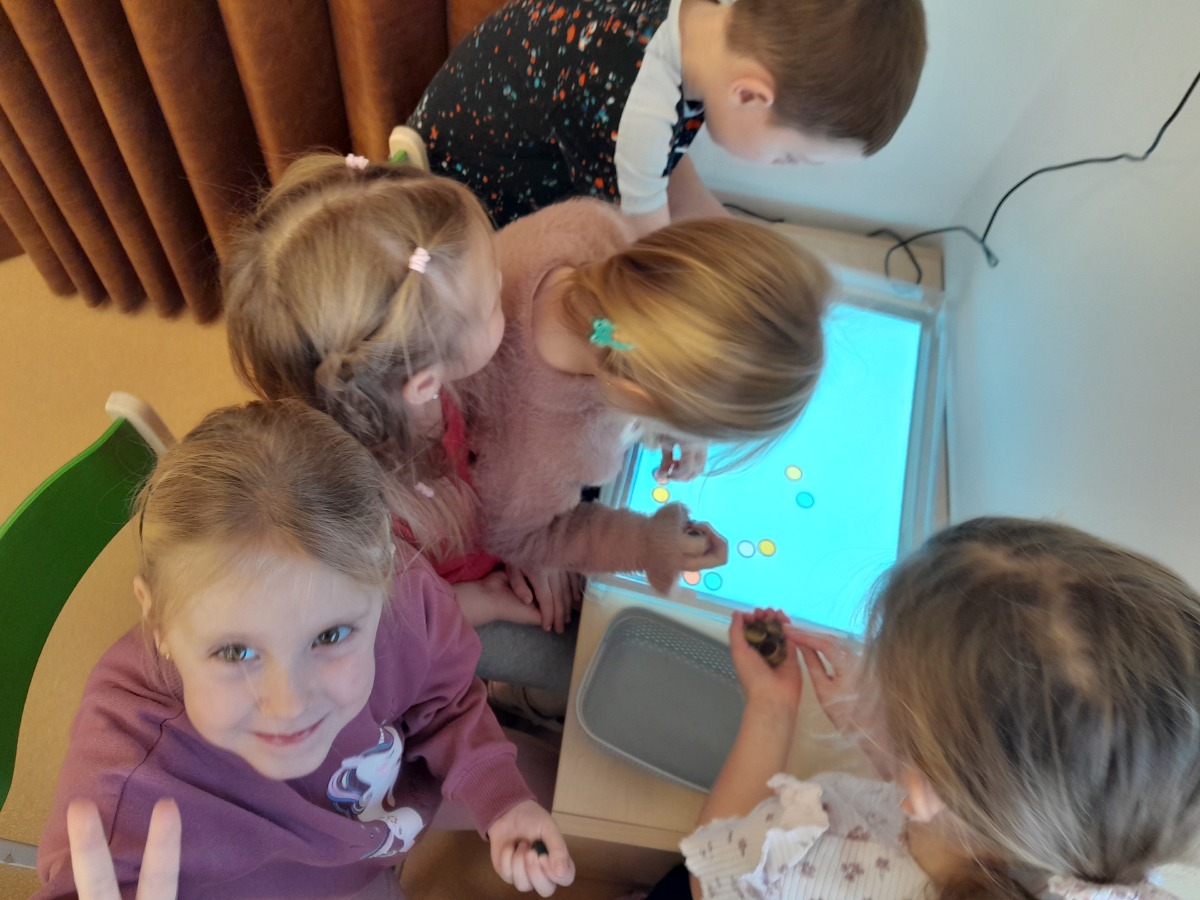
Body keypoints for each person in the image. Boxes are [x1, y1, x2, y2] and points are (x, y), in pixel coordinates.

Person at [35, 401, 575, 899]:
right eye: (235, 653)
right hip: (310, 884)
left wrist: (500, 795)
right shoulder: (128, 785)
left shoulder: (403, 595)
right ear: (156, 620)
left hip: (391, 811)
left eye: (330, 637)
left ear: (385, 572)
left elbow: (446, 700)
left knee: (575, 795)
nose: (289, 705)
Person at [649, 517, 1200, 899]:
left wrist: (772, 706)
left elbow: (715, 868)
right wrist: (889, 741)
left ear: (925, 789)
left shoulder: (808, 864)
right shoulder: (1108, 857)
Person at [224, 151, 571, 632]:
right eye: (491, 301)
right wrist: (482, 600)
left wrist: (530, 539)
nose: (501, 281)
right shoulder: (358, 518)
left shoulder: (410, 379)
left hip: (499, 542)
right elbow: (389, 620)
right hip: (447, 611)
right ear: (424, 383)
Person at [460, 197, 829, 594]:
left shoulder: (594, 227)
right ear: (640, 395)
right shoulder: (543, 451)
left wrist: (680, 409)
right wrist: (646, 543)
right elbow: (516, 538)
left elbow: (632, 337)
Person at [392, 0, 926, 234]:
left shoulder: (700, 25)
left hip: (489, 113)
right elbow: (647, 253)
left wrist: (725, 231)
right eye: (790, 157)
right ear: (749, 94)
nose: (782, 167)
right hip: (465, 189)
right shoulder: (631, 111)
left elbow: (660, 169)